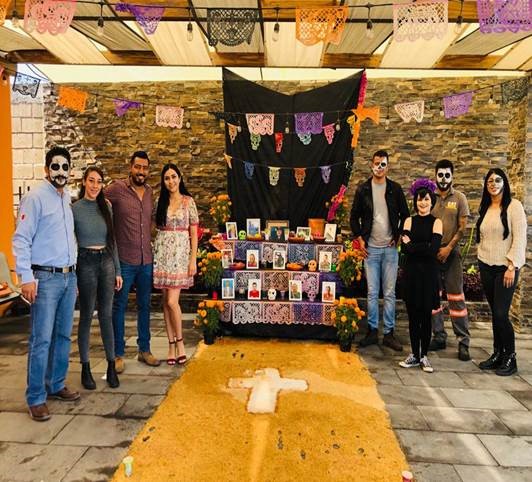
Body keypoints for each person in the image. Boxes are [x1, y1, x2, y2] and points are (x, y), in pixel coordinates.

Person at [13, 147, 80, 422]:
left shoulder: (66, 199)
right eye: (55, 166)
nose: (60, 172)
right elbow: (21, 239)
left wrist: (73, 274)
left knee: (63, 336)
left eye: (65, 167)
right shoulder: (35, 198)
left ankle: (55, 383)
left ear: (70, 171)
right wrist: (26, 278)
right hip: (44, 279)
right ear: (46, 169)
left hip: (68, 277)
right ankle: (36, 397)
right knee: (41, 339)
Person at [105, 151, 160, 373]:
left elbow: (151, 220)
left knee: (145, 306)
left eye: (145, 168)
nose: (141, 171)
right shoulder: (117, 189)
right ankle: (118, 354)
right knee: (119, 306)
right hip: (124, 261)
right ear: (131, 167)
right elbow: (97, 201)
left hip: (146, 260)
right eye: (138, 167)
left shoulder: (149, 192)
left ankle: (144, 349)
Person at [350, 150, 409, 351]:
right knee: (372, 292)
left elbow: (405, 215)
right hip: (371, 250)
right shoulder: (363, 190)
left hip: (390, 250)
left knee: (390, 293)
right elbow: (354, 217)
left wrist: (399, 235)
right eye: (377, 163)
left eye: (383, 164)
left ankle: (389, 333)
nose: (379, 167)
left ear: (387, 167)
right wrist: (360, 239)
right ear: (371, 165)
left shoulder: (395, 189)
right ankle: (372, 331)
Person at [72, 167, 122, 390]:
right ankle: (85, 367)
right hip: (85, 262)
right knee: (86, 315)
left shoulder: (106, 207)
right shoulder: (74, 209)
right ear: (84, 182)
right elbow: (70, 244)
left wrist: (118, 270)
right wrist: (73, 275)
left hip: (107, 262)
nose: (94, 185)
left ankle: (111, 366)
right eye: (91, 180)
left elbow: (113, 241)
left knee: (106, 315)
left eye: (99, 181)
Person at [476, 169, 527, 376]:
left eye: (498, 180)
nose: (493, 184)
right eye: (490, 181)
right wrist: (480, 256)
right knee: (495, 314)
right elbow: (483, 236)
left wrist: (512, 266)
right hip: (486, 266)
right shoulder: (486, 207)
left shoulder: (514, 207)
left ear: (504, 183)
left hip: (505, 268)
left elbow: (520, 238)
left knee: (500, 314)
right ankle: (498, 353)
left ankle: (510, 357)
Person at [153, 163, 198, 366]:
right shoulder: (160, 202)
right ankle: (170, 345)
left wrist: (192, 259)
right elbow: (153, 227)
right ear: (163, 182)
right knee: (165, 301)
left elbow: (194, 233)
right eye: (167, 178)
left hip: (180, 256)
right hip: (162, 255)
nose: (171, 181)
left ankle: (180, 343)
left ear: (180, 178)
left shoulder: (189, 202)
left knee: (173, 301)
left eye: (173, 176)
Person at [399, 179, 443, 373]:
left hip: (428, 275)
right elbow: (404, 249)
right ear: (415, 202)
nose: (423, 203)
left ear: (431, 201)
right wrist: (422, 246)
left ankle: (424, 355)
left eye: (426, 199)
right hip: (412, 274)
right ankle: (414, 355)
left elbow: (433, 250)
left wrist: (413, 245)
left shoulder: (437, 222)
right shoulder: (409, 221)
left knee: (425, 316)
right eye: (419, 199)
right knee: (412, 316)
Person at [430, 159, 471, 361]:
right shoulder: (430, 197)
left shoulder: (460, 198)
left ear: (452, 176)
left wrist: (448, 248)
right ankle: (439, 336)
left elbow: (463, 228)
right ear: (435, 176)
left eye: (447, 175)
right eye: (441, 175)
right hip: (433, 255)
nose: (444, 179)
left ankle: (463, 341)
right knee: (433, 298)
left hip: (452, 254)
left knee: (456, 297)